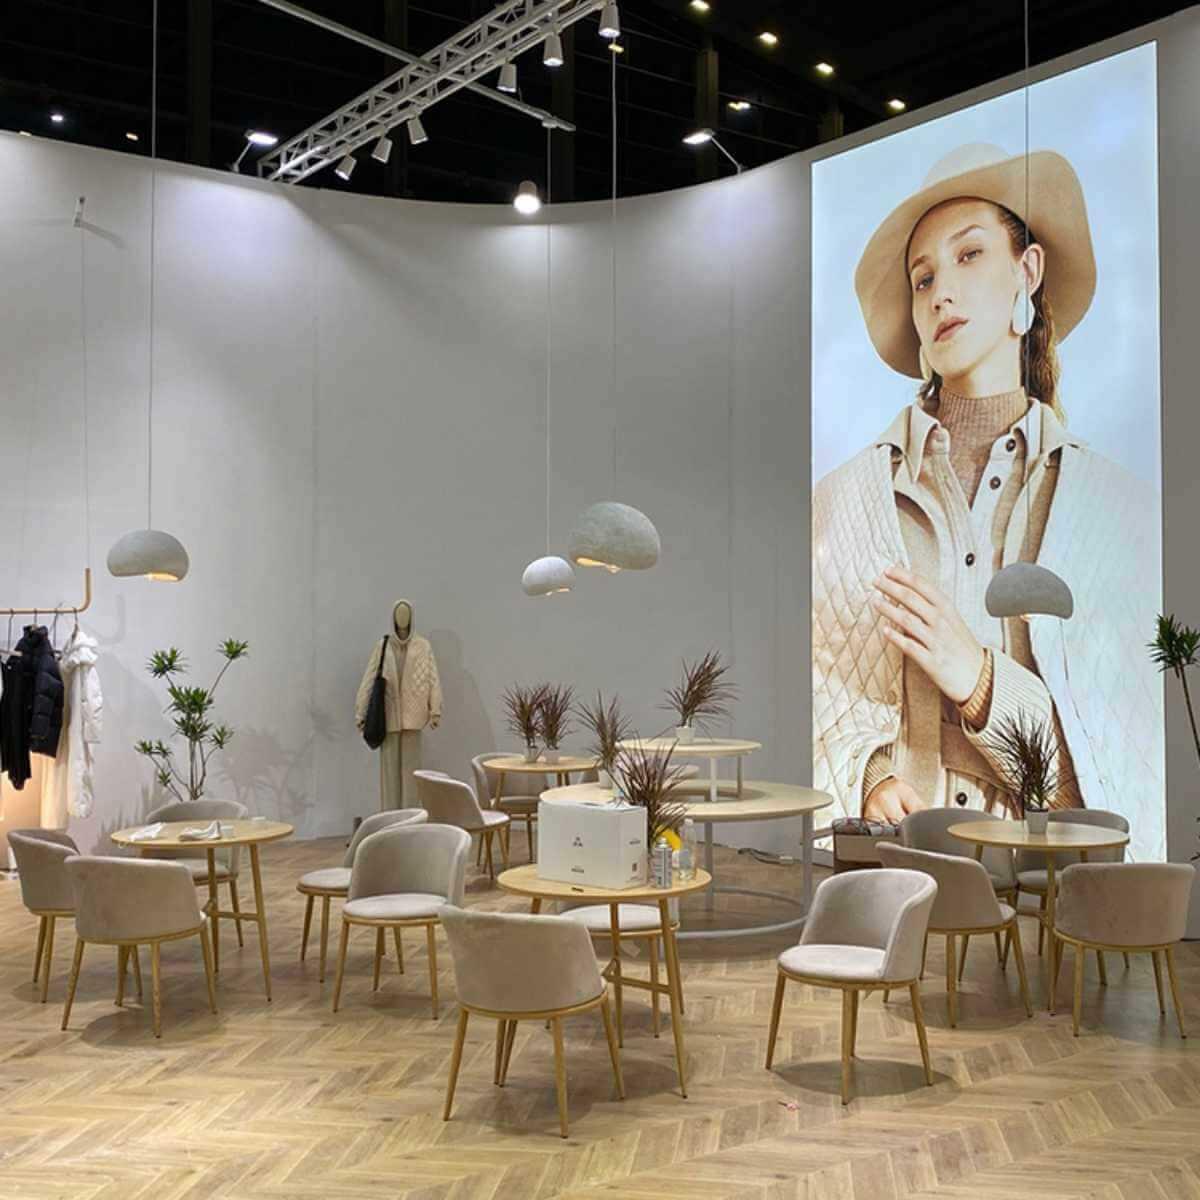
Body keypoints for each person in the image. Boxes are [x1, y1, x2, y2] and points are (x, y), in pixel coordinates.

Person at [812, 143, 1161, 853]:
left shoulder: (1115, 509)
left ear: (1027, 271)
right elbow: (820, 684)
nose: (941, 292)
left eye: (969, 256)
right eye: (923, 278)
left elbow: (1117, 763)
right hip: (896, 867)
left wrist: (978, 680)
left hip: (1043, 879)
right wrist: (868, 773)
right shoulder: (845, 499)